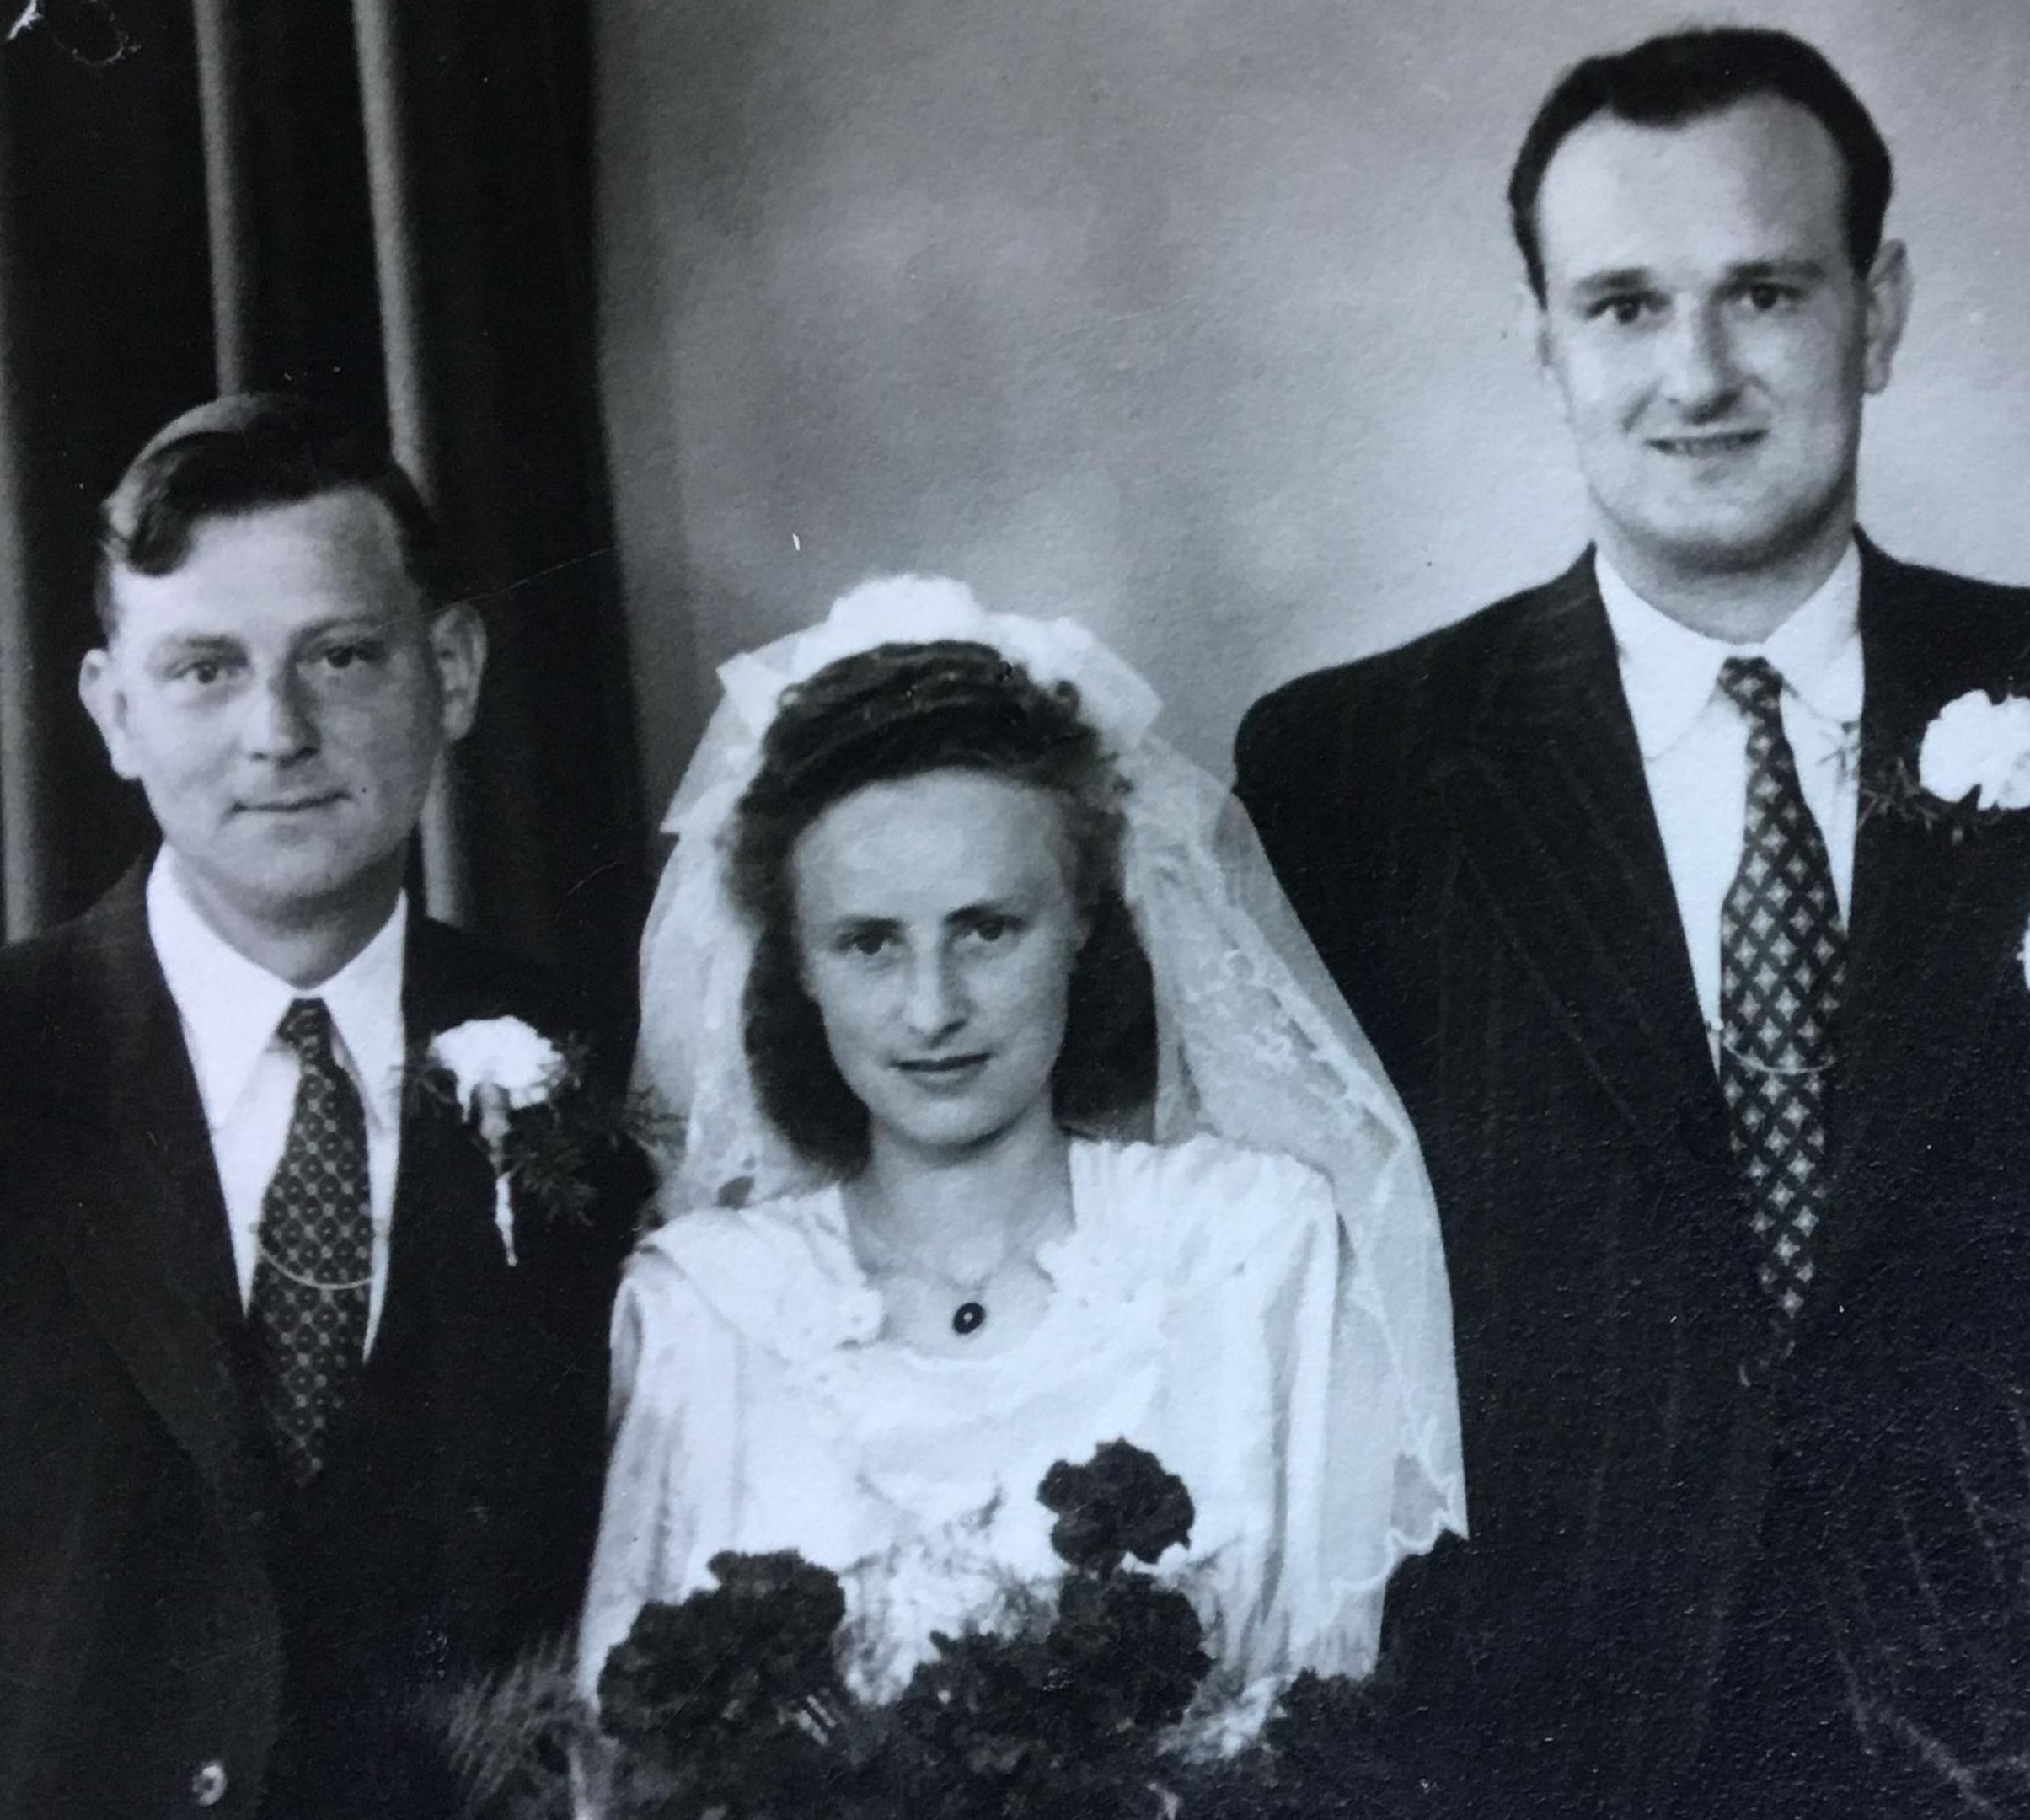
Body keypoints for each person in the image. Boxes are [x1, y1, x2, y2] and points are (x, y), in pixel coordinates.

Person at [1233, 27, 2030, 1816]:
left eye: (1764, 290)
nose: (1696, 372)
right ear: (1542, 340)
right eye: (1622, 305)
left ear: (1884, 309)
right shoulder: (1349, 774)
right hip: (1542, 1748)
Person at [0, 393, 647, 1819]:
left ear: (450, 672)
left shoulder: (606, 1068)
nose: (278, 732)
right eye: (205, 669)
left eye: (340, 656)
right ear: (113, 711)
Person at [577, 578, 1462, 1741]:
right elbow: (617, 1761)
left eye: (988, 928)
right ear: (794, 962)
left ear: (1086, 922)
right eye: (869, 944)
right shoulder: (705, 1309)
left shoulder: (1249, 1245)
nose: (932, 1007)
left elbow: (1331, 1715)